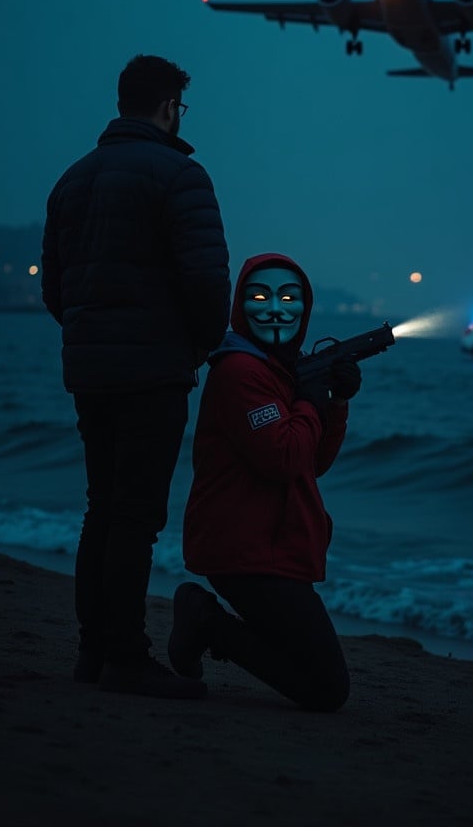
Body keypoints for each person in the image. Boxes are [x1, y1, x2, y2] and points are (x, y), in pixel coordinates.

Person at [41, 54, 230, 700]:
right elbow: (207, 280)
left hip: (90, 370)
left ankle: (93, 652)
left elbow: (55, 288)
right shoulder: (181, 176)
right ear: (169, 106)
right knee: (135, 518)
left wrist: (91, 333)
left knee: (102, 510)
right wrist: (199, 344)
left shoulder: (73, 179)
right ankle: (125, 655)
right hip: (152, 370)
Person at [168, 253, 361, 711]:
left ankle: (209, 623)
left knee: (322, 680)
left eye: (290, 298)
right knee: (327, 690)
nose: (276, 308)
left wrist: (335, 404)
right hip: (247, 554)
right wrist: (312, 405)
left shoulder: (278, 370)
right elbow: (281, 458)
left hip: (269, 552)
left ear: (305, 309)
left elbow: (312, 464)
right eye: (260, 296)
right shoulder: (241, 372)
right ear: (240, 305)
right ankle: (206, 622)